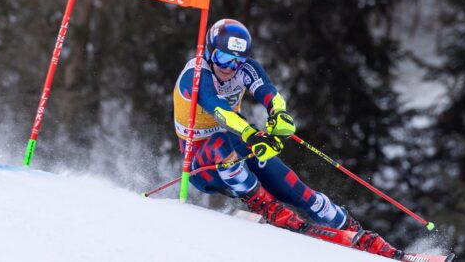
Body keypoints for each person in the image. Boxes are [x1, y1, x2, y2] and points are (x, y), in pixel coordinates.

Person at [173, 18, 403, 260]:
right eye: (223, 58)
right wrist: (251, 134)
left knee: (296, 189)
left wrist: (279, 114)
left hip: (236, 143)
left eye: (237, 61)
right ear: (210, 52)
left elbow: (269, 93)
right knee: (219, 143)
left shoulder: (245, 69)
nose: (230, 67)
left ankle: (353, 230)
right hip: (201, 161)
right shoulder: (196, 75)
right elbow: (219, 110)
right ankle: (268, 207)